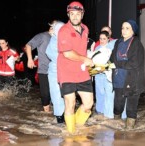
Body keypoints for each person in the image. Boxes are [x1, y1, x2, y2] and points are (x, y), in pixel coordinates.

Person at [57, 1, 94, 133]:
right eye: (72, 14)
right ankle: (71, 134)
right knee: (70, 103)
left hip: (82, 72)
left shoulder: (85, 29)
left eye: (78, 14)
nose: (75, 17)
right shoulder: (64, 30)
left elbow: (82, 49)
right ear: (68, 15)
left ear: (82, 15)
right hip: (66, 72)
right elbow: (67, 53)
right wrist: (85, 59)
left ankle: (77, 126)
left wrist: (88, 60)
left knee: (89, 104)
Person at [110, 20, 145, 129]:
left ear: (133, 31)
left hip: (132, 81)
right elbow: (112, 58)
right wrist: (106, 64)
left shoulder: (137, 44)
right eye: (122, 28)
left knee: (131, 109)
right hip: (119, 80)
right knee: (117, 106)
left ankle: (130, 133)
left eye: (127, 28)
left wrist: (116, 64)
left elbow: (134, 63)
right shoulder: (118, 42)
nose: (124, 30)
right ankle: (117, 128)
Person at [24, 20, 56, 112]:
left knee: (57, 94)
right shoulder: (42, 36)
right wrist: (30, 59)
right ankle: (46, 116)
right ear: (51, 26)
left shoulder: (59, 37)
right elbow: (28, 45)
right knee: (45, 94)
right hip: (44, 70)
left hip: (57, 70)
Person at [93, 31, 116, 119]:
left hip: (108, 76)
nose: (102, 40)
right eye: (100, 39)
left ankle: (108, 116)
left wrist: (106, 67)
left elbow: (113, 62)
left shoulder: (111, 48)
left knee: (109, 95)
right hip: (98, 75)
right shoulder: (97, 48)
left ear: (108, 39)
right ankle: (100, 114)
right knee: (99, 94)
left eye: (104, 39)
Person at [45, 21, 65, 123]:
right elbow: (50, 53)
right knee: (57, 94)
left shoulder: (60, 39)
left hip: (63, 69)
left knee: (63, 94)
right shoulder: (54, 40)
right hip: (55, 70)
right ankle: (60, 117)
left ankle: (61, 117)